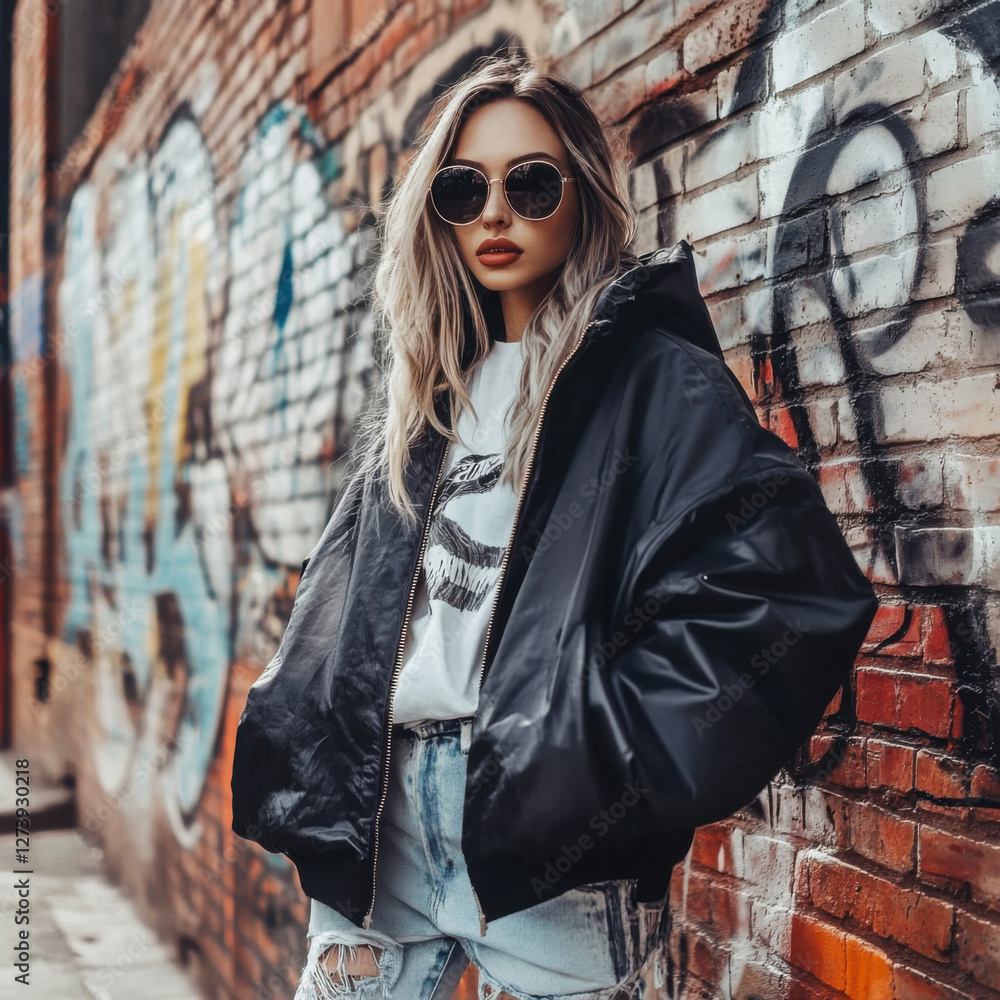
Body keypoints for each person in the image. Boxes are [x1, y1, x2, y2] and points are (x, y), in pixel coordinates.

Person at [230, 51, 879, 1000]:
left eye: (531, 183)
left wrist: (601, 758)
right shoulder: (423, 398)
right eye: (464, 187)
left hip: (550, 845)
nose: (495, 212)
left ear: (581, 198)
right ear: (436, 213)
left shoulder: (655, 381)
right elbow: (347, 605)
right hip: (383, 834)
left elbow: (790, 595)